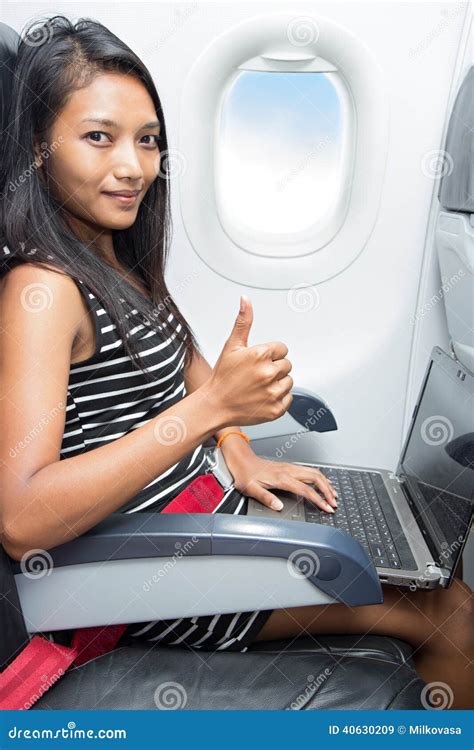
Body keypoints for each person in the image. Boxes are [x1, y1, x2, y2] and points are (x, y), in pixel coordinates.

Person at [0, 16, 471, 708]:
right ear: (41, 148)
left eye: (149, 140)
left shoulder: (114, 261)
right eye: (98, 137)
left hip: (196, 529)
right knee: (455, 617)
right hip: (146, 575)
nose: (133, 166)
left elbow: (193, 371)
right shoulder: (43, 291)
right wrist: (213, 411)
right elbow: (22, 518)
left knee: (434, 586)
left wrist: (237, 448)